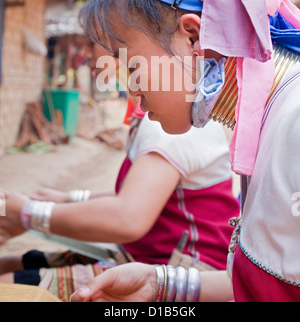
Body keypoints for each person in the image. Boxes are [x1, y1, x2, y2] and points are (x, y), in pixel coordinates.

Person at [69, 0, 300, 302]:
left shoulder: (295, 123)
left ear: (193, 38)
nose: (130, 89)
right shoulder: (268, 125)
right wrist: (161, 285)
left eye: (131, 64)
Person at [0, 39, 239, 301]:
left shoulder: (176, 122)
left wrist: (27, 214)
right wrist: (66, 200)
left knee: (10, 286)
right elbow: (131, 197)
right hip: (143, 257)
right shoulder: (159, 113)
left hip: (186, 268)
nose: (87, 54)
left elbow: (128, 217)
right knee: (12, 264)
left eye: (95, 42)